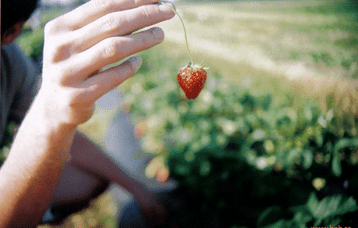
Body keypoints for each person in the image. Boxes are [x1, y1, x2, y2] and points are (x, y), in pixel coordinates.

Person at [0, 0, 175, 227]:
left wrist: (138, 188)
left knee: (89, 179)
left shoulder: (10, 62)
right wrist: (49, 115)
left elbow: (67, 141)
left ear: (11, 33)